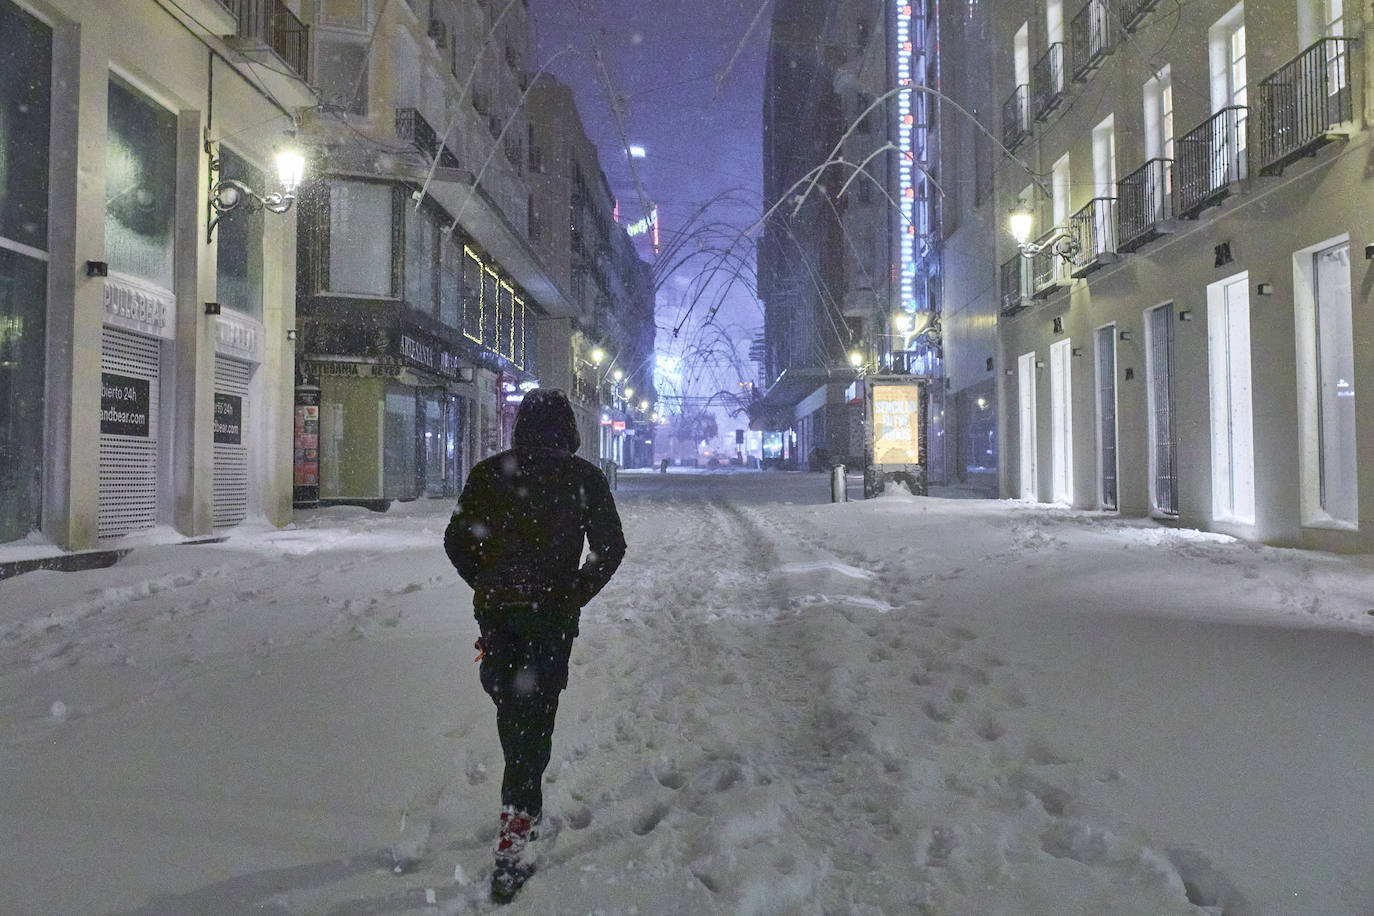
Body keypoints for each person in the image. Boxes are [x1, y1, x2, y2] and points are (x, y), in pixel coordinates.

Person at [444, 388, 626, 903]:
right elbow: (610, 548)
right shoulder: (584, 479)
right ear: (568, 429)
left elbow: (456, 540)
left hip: (501, 619)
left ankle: (522, 808)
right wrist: (574, 593)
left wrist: (489, 583)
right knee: (534, 716)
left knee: (515, 713)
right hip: (549, 622)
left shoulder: (490, 474)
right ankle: (513, 837)